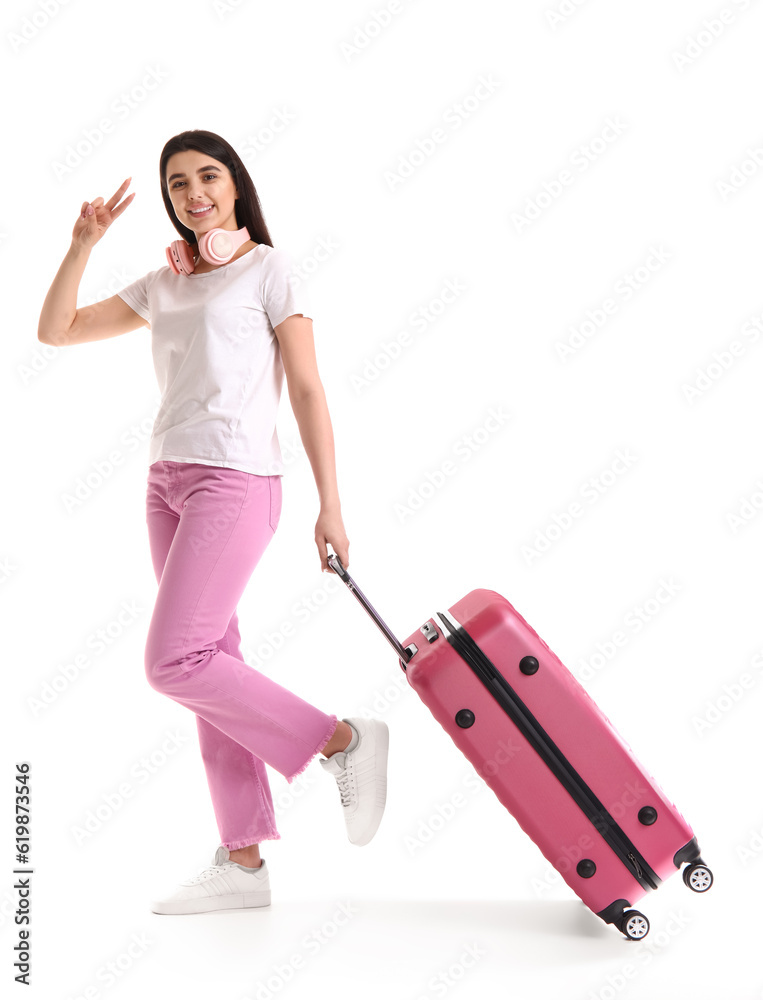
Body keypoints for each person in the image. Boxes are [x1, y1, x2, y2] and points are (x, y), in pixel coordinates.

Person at [37, 129, 389, 915]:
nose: (192, 191)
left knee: (174, 662)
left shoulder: (269, 269)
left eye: (207, 176)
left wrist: (330, 503)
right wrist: (82, 246)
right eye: (177, 182)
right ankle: (242, 862)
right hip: (167, 481)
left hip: (238, 481)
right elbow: (56, 331)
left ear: (235, 187)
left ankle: (340, 741)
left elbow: (305, 390)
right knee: (209, 667)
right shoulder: (165, 282)